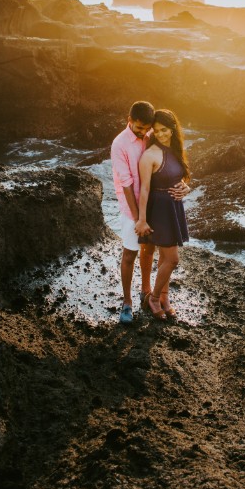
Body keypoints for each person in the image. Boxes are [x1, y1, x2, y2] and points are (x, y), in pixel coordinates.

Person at [110, 101, 189, 324]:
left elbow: (168, 166)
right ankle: (127, 303)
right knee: (130, 254)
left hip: (154, 205)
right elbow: (127, 185)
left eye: (148, 129)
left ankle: (150, 293)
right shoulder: (119, 144)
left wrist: (184, 184)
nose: (144, 132)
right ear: (129, 119)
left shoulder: (152, 135)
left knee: (150, 251)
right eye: (140, 128)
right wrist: (138, 219)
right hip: (131, 208)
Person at [135, 109, 191, 321]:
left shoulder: (175, 149)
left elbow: (179, 177)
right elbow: (145, 190)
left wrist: (185, 188)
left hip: (173, 208)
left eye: (164, 130)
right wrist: (141, 219)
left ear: (173, 128)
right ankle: (154, 298)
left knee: (166, 259)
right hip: (158, 209)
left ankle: (165, 298)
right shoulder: (149, 155)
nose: (160, 134)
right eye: (156, 131)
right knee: (172, 259)